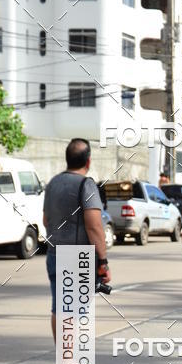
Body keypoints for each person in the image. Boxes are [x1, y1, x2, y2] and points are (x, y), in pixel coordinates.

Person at [43, 138, 110, 342]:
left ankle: (64, 356)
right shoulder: (86, 185)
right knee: (75, 311)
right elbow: (94, 226)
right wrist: (103, 262)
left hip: (54, 253)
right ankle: (70, 358)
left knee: (59, 308)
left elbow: (46, 220)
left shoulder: (53, 183)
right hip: (77, 256)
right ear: (88, 161)